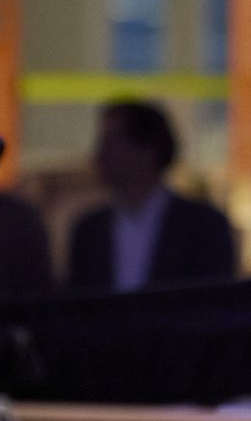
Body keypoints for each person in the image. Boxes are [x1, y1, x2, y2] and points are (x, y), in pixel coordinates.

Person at [66, 101, 236, 291]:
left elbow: (213, 304)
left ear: (148, 151)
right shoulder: (89, 232)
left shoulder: (204, 227)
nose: (100, 155)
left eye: (112, 143)